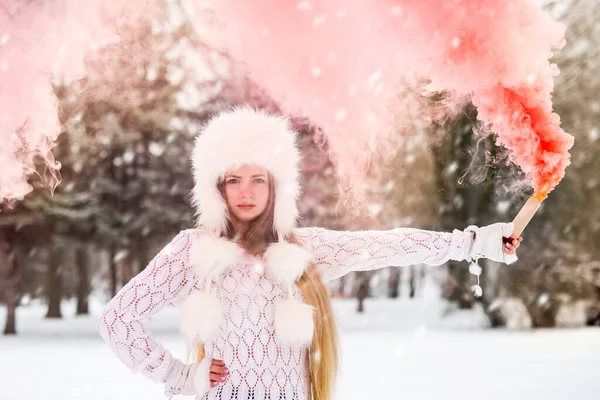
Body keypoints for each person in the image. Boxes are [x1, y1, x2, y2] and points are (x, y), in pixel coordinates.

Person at [96, 107, 522, 400]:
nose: (246, 191)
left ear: (275, 186)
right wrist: (177, 373)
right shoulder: (192, 253)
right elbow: (117, 318)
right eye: (234, 180)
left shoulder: (304, 249)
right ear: (217, 188)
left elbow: (386, 245)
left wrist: (474, 242)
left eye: (258, 179)